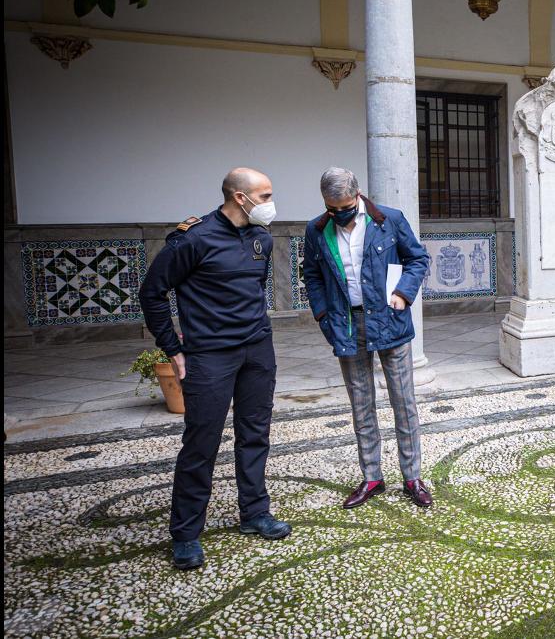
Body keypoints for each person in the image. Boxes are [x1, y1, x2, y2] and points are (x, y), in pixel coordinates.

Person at [138, 167, 291, 571]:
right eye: (265, 195)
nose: (271, 204)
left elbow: (254, 290)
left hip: (257, 351)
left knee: (255, 433)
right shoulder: (193, 239)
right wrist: (173, 348)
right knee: (201, 443)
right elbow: (152, 293)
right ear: (240, 197)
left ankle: (254, 512)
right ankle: (186, 534)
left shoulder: (261, 236)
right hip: (209, 357)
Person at [301, 167, 433, 509]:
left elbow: (417, 258)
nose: (338, 214)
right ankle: (371, 477)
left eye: (344, 207)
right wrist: (322, 315)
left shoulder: (387, 219)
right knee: (361, 404)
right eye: (332, 209)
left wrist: (404, 293)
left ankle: (412, 477)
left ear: (357, 196)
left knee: (403, 402)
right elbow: (311, 276)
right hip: (347, 325)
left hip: (390, 321)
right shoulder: (316, 230)